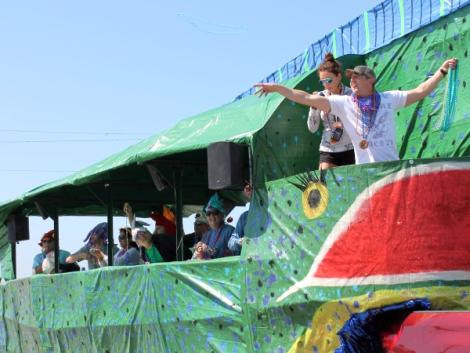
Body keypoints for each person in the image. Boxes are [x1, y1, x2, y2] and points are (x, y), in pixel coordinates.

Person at [255, 58, 458, 165]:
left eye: (357, 77)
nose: (351, 80)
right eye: (350, 77)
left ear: (371, 80)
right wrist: (277, 88)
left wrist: (441, 72)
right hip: (365, 172)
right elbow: (306, 98)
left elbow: (420, 91)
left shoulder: (389, 99)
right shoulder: (343, 103)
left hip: (391, 168)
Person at [307, 53, 354, 169]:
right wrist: (313, 107)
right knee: (324, 184)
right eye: (322, 81)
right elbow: (312, 129)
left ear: (338, 76)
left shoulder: (352, 94)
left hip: (353, 147)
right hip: (328, 150)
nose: (326, 85)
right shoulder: (320, 96)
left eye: (329, 80)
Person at [193, 193, 234, 260]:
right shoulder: (206, 235)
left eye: (215, 212)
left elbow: (234, 255)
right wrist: (199, 250)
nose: (211, 216)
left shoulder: (230, 231)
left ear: (222, 214)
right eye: (208, 213)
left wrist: (209, 250)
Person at [228, 183, 253, 255]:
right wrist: (240, 241)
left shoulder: (274, 214)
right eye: (247, 189)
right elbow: (231, 243)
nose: (248, 192)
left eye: (250, 189)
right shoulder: (245, 216)